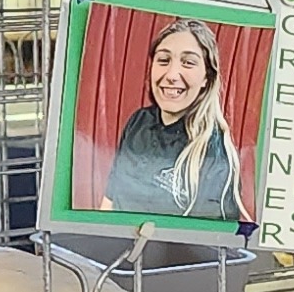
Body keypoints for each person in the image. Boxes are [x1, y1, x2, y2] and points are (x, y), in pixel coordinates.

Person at [100, 17, 248, 222]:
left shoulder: (215, 154)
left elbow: (208, 244)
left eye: (188, 62)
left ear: (207, 77)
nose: (172, 74)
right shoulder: (138, 122)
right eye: (163, 60)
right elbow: (109, 202)